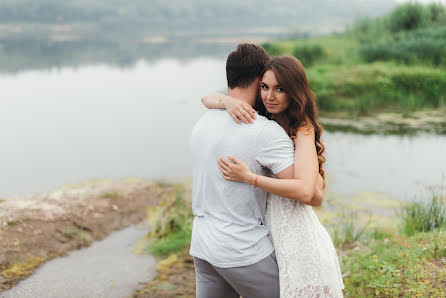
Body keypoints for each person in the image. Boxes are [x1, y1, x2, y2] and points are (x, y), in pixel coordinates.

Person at [201, 55, 344, 297]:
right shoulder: (264, 118)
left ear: (294, 92)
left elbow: (312, 194)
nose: (270, 96)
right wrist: (227, 102)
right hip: (268, 233)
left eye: (280, 89)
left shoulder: (302, 129)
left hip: (295, 233)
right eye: (265, 87)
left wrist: (250, 178)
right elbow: (205, 98)